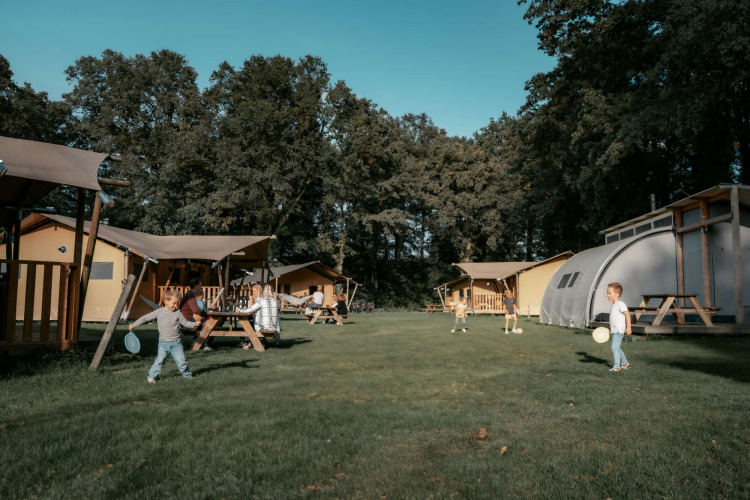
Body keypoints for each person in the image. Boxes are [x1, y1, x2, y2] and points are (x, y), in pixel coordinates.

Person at [129, 289, 199, 383]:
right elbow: (146, 318)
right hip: (163, 343)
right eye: (174, 303)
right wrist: (134, 324)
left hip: (176, 343)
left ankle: (187, 375)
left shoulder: (177, 312)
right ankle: (152, 376)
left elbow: (185, 323)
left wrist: (194, 324)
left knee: (182, 361)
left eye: (177, 303)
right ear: (166, 301)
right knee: (159, 361)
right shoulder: (159, 312)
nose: (176, 305)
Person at [179, 278, 214, 349]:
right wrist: (208, 314)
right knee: (210, 323)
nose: (201, 286)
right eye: (200, 285)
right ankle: (201, 344)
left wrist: (208, 311)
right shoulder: (190, 295)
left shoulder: (191, 294)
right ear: (197, 286)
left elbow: (197, 309)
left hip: (189, 319)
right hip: (187, 321)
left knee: (211, 322)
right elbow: (196, 310)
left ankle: (199, 342)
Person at [607, 282, 632, 372]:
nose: (608, 295)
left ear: (617, 294)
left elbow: (627, 315)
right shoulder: (614, 305)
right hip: (615, 330)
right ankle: (625, 364)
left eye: (610, 293)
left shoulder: (620, 304)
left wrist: (628, 327)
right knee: (616, 347)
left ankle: (616, 366)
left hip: (619, 330)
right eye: (608, 293)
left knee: (614, 347)